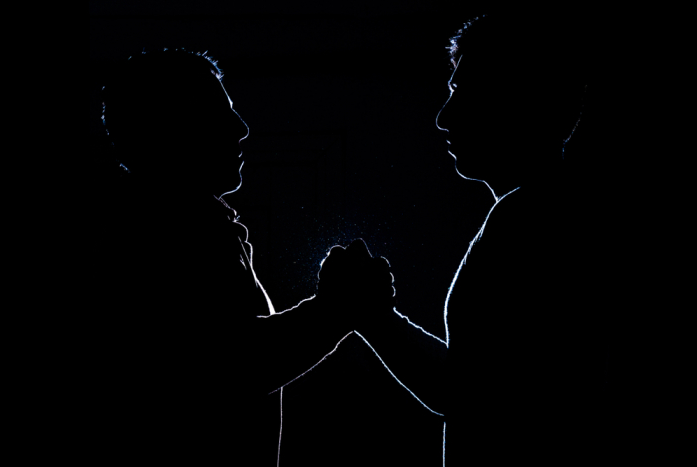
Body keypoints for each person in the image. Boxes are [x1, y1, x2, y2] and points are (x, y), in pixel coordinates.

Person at [89, 49, 393, 464]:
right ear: (168, 131)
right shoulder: (170, 229)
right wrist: (337, 308)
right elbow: (233, 364)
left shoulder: (162, 221)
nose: (241, 128)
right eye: (216, 114)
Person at [343, 9, 613, 465]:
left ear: (516, 102)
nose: (444, 118)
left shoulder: (527, 221)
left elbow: (462, 391)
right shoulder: (546, 212)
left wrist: (370, 315)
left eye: (464, 94)